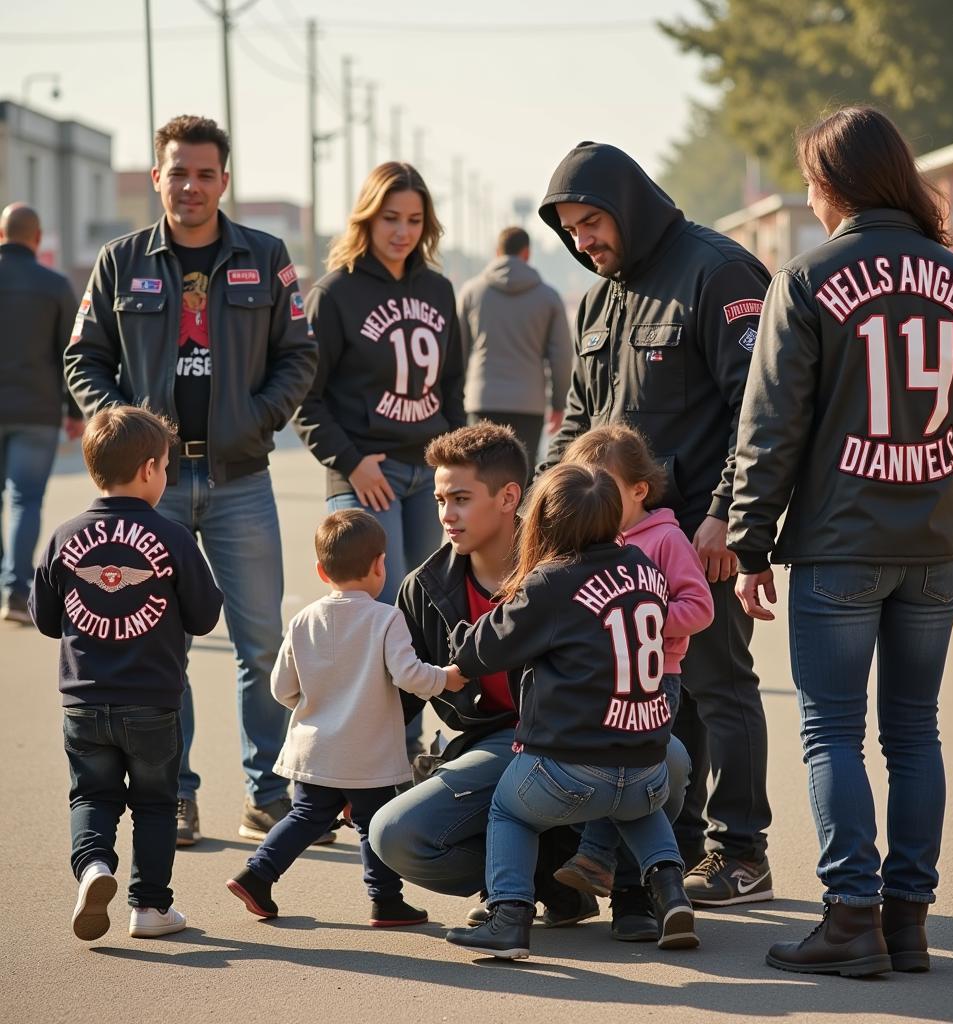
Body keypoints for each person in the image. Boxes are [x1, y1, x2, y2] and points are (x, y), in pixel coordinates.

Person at [728, 106, 953, 977]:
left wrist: (748, 545)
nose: (811, 199)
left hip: (840, 547)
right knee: (914, 733)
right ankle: (908, 922)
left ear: (834, 186)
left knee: (831, 734)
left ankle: (850, 917)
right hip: (935, 544)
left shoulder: (809, 281)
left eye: (813, 183)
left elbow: (770, 428)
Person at [64, 115, 318, 849]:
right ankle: (173, 793)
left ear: (224, 181)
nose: (191, 185)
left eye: (205, 173)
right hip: (151, 489)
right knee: (160, 646)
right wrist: (125, 435)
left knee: (262, 640)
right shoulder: (120, 262)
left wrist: (258, 419)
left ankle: (267, 790)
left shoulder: (266, 257)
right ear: (157, 177)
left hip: (241, 477)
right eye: (178, 171)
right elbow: (84, 358)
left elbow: (297, 355)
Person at [538, 141, 775, 908]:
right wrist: (547, 506)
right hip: (611, 549)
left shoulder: (718, 272)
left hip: (695, 537)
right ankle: (671, 844)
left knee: (717, 686)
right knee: (658, 692)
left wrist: (726, 519)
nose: (584, 242)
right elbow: (579, 419)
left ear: (629, 204)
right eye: (571, 231)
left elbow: (760, 409)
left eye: (592, 222)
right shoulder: (599, 297)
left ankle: (742, 852)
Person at [369, 423, 694, 943]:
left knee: (670, 758)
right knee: (395, 834)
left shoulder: (565, 556)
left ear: (509, 497)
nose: (445, 514)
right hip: (507, 742)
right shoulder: (425, 588)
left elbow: (483, 647)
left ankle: (630, 895)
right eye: (438, 499)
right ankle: (547, 883)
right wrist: (346, 769)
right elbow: (400, 701)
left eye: (460, 498)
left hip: (576, 736)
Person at [444, 463, 696, 959]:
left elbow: (484, 652)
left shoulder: (552, 581)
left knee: (509, 810)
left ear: (546, 520)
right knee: (637, 804)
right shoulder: (645, 566)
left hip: (568, 768)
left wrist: (460, 639)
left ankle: (508, 916)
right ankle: (671, 893)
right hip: (647, 760)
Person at [29, 407, 222, 940]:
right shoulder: (175, 538)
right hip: (154, 700)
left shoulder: (64, 537)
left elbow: (47, 620)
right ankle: (150, 907)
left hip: (83, 701)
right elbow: (206, 617)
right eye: (165, 467)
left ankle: (94, 867)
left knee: (92, 796)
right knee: (156, 804)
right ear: (147, 470)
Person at [295, 161, 465, 759]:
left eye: (414, 220)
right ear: (367, 217)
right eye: (390, 218)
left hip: (431, 477)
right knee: (373, 612)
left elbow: (454, 393)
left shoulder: (440, 291)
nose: (402, 231)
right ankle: (354, 751)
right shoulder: (335, 292)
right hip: (367, 476)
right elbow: (306, 397)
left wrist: (459, 467)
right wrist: (352, 462)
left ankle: (411, 745)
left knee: (426, 609)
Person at [226, 509, 466, 926]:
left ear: (321, 571)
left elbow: (282, 688)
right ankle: (386, 900)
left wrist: (317, 703)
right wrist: (445, 678)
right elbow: (410, 676)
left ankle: (257, 873)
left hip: (314, 750)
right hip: (366, 754)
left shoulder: (302, 621)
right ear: (379, 565)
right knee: (374, 823)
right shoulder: (387, 619)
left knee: (304, 818)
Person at [553, 425, 714, 897]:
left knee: (631, 770)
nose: (592, 497)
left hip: (654, 678)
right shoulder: (588, 540)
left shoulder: (665, 539)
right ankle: (607, 868)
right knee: (610, 768)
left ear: (639, 490)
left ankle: (601, 861)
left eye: (604, 487)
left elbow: (700, 607)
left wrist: (643, 621)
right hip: (602, 681)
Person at [0, 203, 84, 624]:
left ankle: (6, 582)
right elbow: (72, 353)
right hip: (36, 410)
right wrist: (74, 410)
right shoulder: (54, 285)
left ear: (1, 235)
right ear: (36, 239)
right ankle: (15, 590)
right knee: (25, 500)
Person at [458, 226, 572, 474]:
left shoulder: (471, 292)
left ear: (497, 251)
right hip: (529, 404)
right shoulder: (548, 297)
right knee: (521, 475)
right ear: (527, 253)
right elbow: (562, 356)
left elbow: (458, 353)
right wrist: (559, 403)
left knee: (480, 474)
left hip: (482, 400)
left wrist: (456, 399)